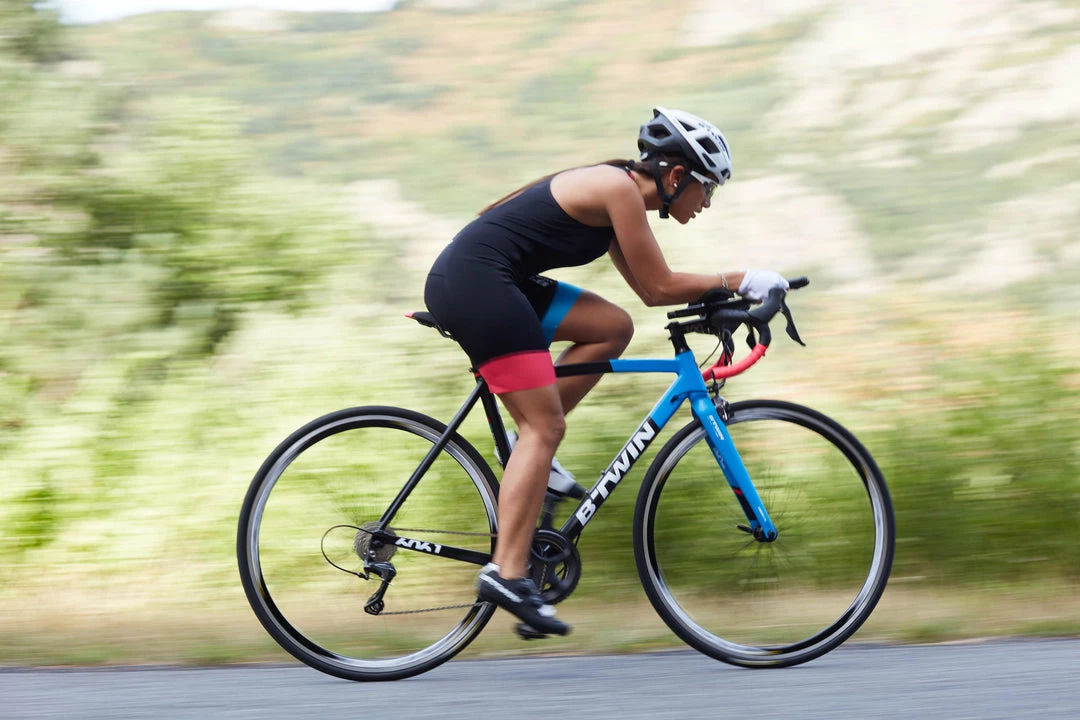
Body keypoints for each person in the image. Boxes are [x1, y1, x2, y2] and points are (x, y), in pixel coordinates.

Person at [423, 107, 789, 636]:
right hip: (478, 285)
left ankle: (528, 454)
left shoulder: (618, 194)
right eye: (707, 188)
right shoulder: (618, 189)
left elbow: (648, 295)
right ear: (676, 176)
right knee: (545, 426)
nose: (708, 202)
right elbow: (661, 285)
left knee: (611, 327)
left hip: (491, 281)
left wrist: (721, 297)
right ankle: (507, 572)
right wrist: (741, 279)